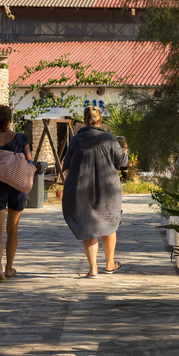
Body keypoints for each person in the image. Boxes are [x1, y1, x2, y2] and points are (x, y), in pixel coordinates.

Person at [61, 107, 129, 277]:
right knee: (109, 224)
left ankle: (92, 269)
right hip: (108, 189)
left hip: (82, 188)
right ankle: (110, 264)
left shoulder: (76, 140)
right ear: (100, 121)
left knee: (88, 226)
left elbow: (66, 165)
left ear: (85, 120)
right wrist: (125, 149)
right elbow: (124, 161)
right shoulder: (109, 138)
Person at [0, 105, 32, 282]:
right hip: (17, 187)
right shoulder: (21, 138)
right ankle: (9, 268)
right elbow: (29, 161)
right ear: (10, 120)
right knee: (13, 230)